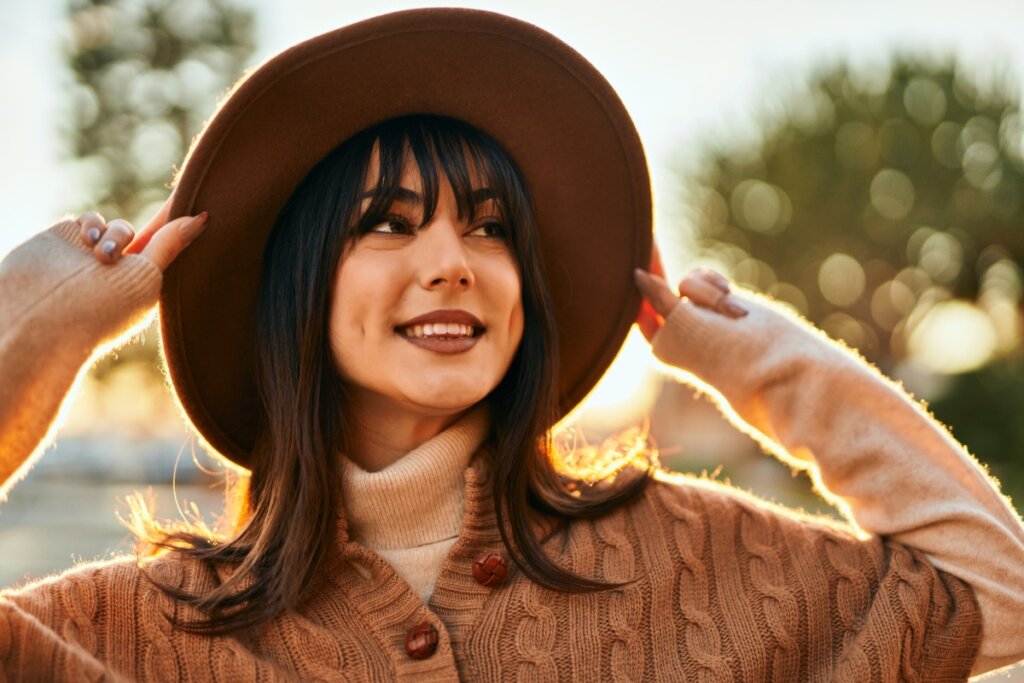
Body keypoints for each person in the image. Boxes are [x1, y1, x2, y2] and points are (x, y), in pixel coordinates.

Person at [1, 8, 1023, 682]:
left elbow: (997, 591)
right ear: (299, 288)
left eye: (490, 226)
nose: (454, 263)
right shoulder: (142, 627)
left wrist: (763, 363)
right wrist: (34, 335)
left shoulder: (688, 551)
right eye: (389, 224)